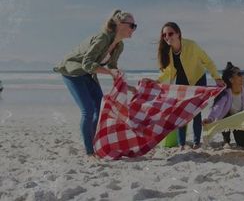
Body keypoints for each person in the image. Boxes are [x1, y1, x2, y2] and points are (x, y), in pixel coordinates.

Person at [53, 9, 138, 156]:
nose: (134, 29)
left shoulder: (119, 45)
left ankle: (93, 143)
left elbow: (112, 68)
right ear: (119, 24)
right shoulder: (103, 37)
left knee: (100, 109)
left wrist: (128, 87)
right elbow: (87, 63)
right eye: (132, 25)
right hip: (72, 72)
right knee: (88, 111)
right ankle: (90, 152)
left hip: (87, 74)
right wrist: (110, 72)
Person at [157, 22, 225, 150]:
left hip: (198, 78)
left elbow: (207, 61)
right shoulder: (169, 51)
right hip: (182, 81)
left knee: (196, 112)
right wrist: (157, 81)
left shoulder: (192, 45)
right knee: (180, 112)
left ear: (178, 34)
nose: (167, 37)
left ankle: (196, 142)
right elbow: (168, 71)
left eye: (170, 33)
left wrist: (216, 77)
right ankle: (182, 144)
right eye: (164, 35)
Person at [203, 62, 244, 148]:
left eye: (243, 73)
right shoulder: (226, 94)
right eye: (239, 74)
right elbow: (218, 107)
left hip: (239, 117)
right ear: (231, 80)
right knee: (225, 118)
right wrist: (210, 119)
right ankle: (226, 140)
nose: (242, 76)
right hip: (226, 117)